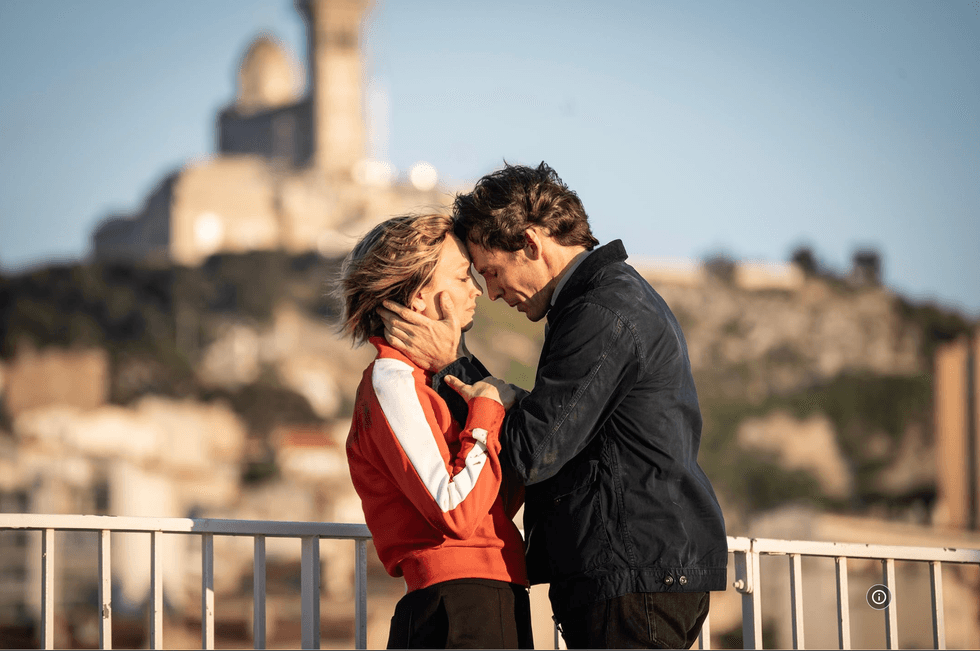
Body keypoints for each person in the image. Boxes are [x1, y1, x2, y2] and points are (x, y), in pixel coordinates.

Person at [378, 163, 728, 649]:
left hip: (632, 579)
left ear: (531, 244)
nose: (494, 293)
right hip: (637, 575)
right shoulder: (604, 303)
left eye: (492, 273)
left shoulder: (600, 313)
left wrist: (452, 363)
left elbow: (532, 451)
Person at [338, 213, 533, 649]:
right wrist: (487, 408)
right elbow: (455, 511)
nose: (476, 290)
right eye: (463, 277)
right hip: (458, 606)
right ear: (417, 295)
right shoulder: (392, 380)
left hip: (489, 594)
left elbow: (493, 497)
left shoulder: (428, 383)